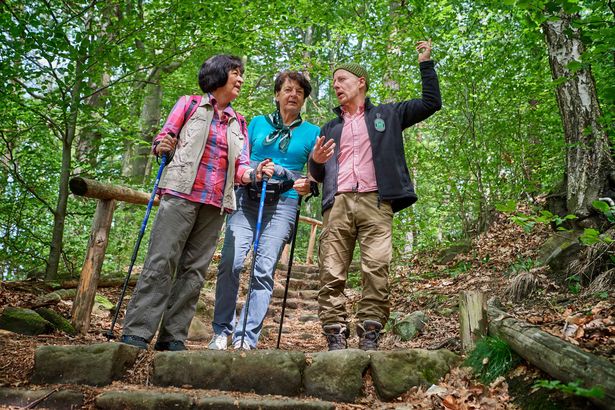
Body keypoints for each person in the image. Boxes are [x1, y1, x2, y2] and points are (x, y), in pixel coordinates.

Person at [120, 54, 274, 351]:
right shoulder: (189, 104)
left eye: (241, 74)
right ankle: (137, 332)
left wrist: (255, 172)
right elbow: (163, 138)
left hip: (215, 205)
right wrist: (162, 145)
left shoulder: (238, 122)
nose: (240, 79)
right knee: (162, 260)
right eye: (235, 73)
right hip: (180, 194)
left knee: (194, 270)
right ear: (217, 75)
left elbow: (240, 169)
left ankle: (173, 336)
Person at [308, 40, 442, 351]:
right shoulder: (329, 127)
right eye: (333, 82)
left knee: (376, 270)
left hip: (376, 203)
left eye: (342, 79)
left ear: (361, 82)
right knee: (331, 271)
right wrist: (315, 160)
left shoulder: (389, 114)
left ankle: (370, 332)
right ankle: (334, 333)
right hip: (337, 203)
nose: (336, 85)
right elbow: (317, 176)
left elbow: (431, 103)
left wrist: (425, 64)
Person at [208, 71, 324, 350]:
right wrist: (254, 171)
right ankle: (222, 330)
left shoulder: (312, 133)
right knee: (231, 262)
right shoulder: (257, 124)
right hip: (247, 197)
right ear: (277, 94)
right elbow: (241, 159)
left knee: (264, 268)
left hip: (284, 203)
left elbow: (317, 173)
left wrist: (309, 184)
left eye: (299, 91)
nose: (293, 95)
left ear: (304, 99)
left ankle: (246, 337)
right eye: (287, 89)